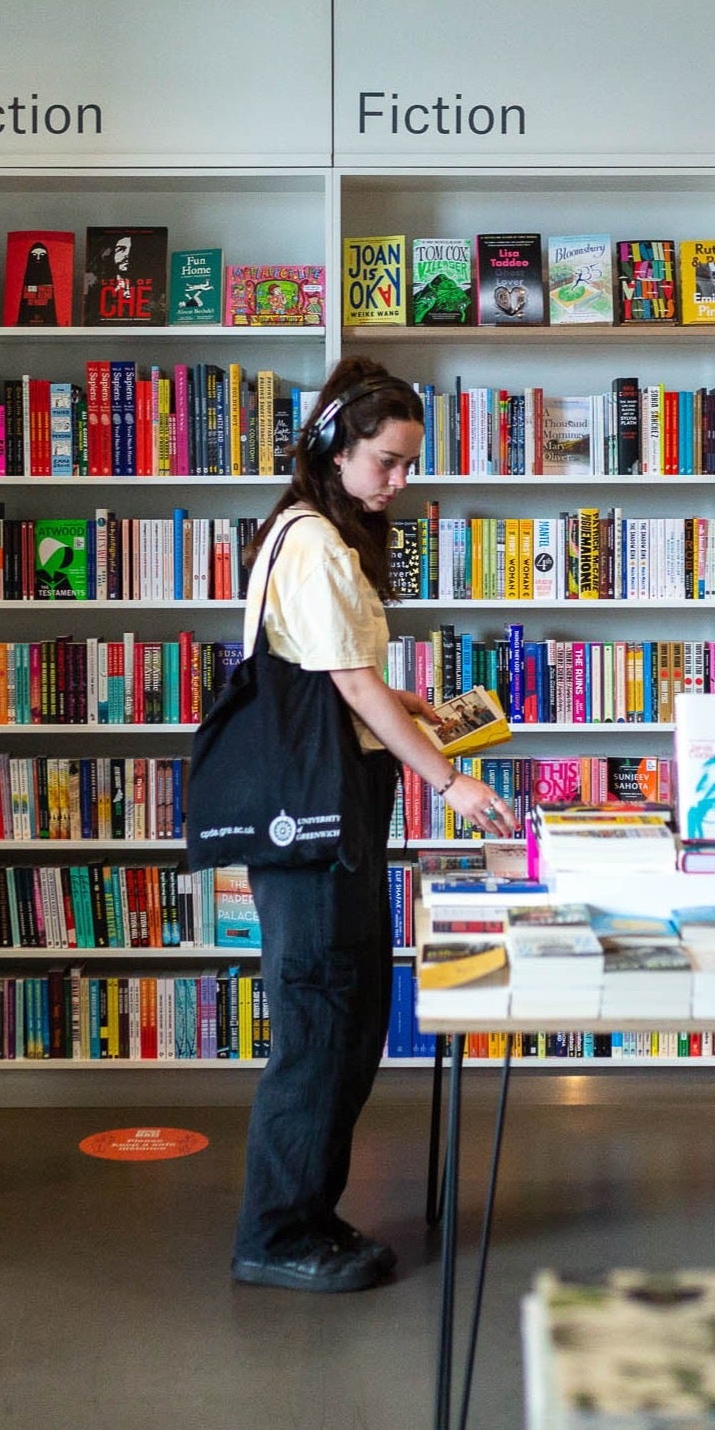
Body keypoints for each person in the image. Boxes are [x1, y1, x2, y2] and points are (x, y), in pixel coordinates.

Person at [231, 356, 514, 1294]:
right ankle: (275, 1234)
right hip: (312, 823)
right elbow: (343, 682)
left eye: (405, 465)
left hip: (330, 811)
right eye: (386, 462)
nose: (398, 483)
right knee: (318, 1020)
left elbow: (335, 673)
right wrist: (450, 781)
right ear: (334, 448)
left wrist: (404, 704)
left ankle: (308, 1213)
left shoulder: (317, 536)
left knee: (345, 1015)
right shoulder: (312, 541)